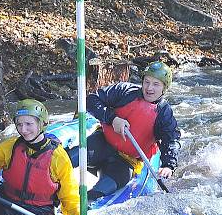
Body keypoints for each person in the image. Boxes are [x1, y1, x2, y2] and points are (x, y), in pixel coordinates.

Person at [68, 61, 181, 201]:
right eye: (147, 82)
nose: (149, 88)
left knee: (100, 191)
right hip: (102, 143)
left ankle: (79, 204)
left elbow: (171, 140)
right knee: (68, 158)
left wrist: (168, 165)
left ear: (164, 88)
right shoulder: (125, 91)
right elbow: (92, 100)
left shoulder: (164, 113)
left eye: (156, 84)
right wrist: (112, 118)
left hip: (126, 161)